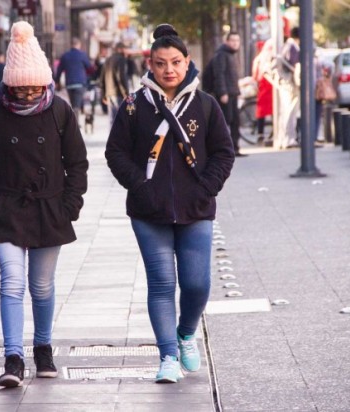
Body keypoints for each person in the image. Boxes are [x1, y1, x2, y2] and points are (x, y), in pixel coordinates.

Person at [105, 24, 235, 384]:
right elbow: (115, 153)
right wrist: (140, 186)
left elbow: (224, 152)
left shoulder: (205, 105)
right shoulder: (134, 105)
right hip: (149, 211)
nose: (169, 70)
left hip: (196, 210)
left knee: (196, 284)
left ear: (187, 61)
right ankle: (167, 356)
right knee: (162, 284)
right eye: (160, 63)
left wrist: (206, 188)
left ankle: (186, 332)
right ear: (150, 64)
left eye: (176, 62)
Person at [0, 21, 88, 389]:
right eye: (21, 88)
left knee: (42, 286)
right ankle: (13, 357)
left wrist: (69, 206)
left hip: (49, 208)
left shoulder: (60, 111)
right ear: (10, 84)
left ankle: (43, 348)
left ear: (45, 82)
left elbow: (77, 163)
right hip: (5, 208)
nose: (28, 95)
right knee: (12, 282)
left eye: (35, 87)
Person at [208, 31, 245, 156]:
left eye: (237, 40)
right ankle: (223, 149)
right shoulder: (221, 55)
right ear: (227, 41)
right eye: (232, 40)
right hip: (226, 95)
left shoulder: (231, 54)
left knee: (235, 122)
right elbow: (219, 74)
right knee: (226, 121)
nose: (235, 43)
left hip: (233, 93)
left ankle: (235, 148)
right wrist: (222, 92)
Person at [54, 38, 93, 121]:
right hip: (80, 84)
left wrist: (57, 81)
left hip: (69, 84)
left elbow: (59, 70)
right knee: (76, 106)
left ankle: (77, 115)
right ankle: (76, 123)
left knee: (74, 103)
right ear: (79, 45)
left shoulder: (65, 56)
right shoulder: (82, 55)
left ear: (71, 45)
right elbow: (89, 68)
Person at [276, 27, 301, 149]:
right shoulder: (293, 47)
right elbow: (294, 65)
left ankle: (283, 138)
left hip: (285, 83)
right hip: (290, 83)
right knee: (290, 112)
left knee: (285, 112)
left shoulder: (286, 46)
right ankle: (288, 139)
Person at [100, 42, 129, 125]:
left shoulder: (108, 59)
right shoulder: (121, 59)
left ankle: (112, 133)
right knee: (119, 119)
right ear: (120, 49)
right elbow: (121, 77)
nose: (126, 51)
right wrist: (125, 93)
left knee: (112, 119)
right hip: (118, 93)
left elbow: (102, 78)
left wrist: (103, 95)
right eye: (125, 49)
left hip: (109, 93)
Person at [251, 39, 274, 146]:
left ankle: (261, 133)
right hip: (270, 86)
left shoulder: (259, 58)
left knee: (261, 111)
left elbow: (255, 75)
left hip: (262, 87)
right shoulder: (269, 57)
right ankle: (273, 132)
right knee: (273, 110)